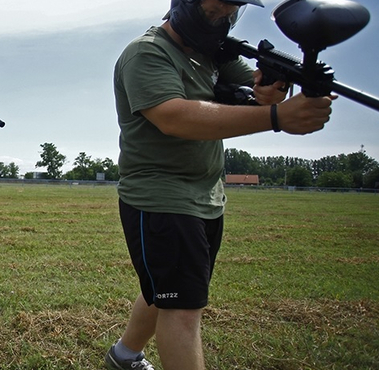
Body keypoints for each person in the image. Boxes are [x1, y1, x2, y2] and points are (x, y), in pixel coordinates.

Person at [105, 1, 334, 369]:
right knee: (182, 307)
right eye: (215, 7)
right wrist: (275, 116)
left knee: (167, 288)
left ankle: (124, 355)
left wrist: (269, 91)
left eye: (232, 10)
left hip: (206, 195)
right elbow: (173, 116)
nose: (223, 19)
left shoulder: (213, 53)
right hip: (160, 196)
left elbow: (250, 89)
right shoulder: (146, 52)